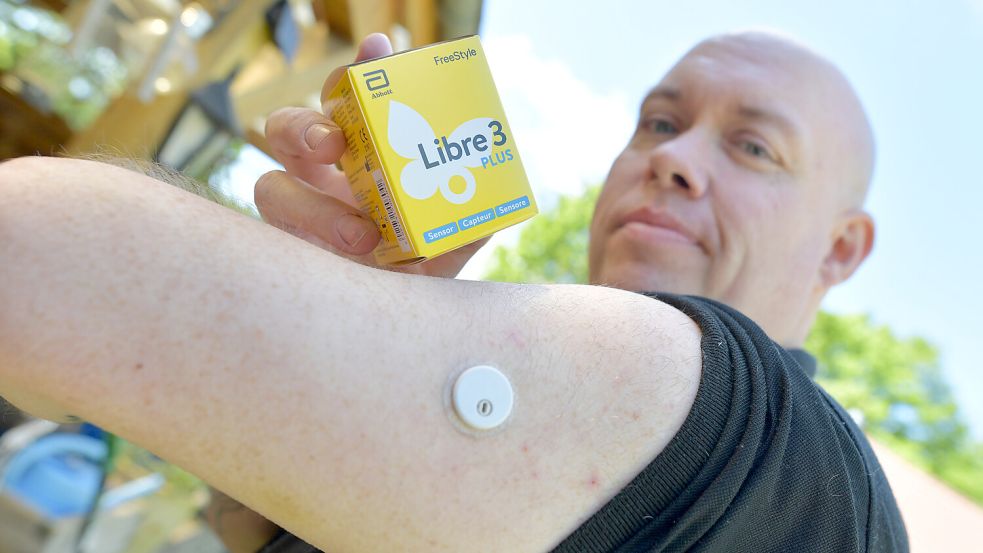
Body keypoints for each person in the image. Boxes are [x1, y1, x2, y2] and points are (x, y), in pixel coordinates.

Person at [0, 29, 907, 553]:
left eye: (753, 146)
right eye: (659, 122)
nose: (671, 157)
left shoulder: (773, 441)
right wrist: (344, 326)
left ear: (840, 247)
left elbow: (36, 255)